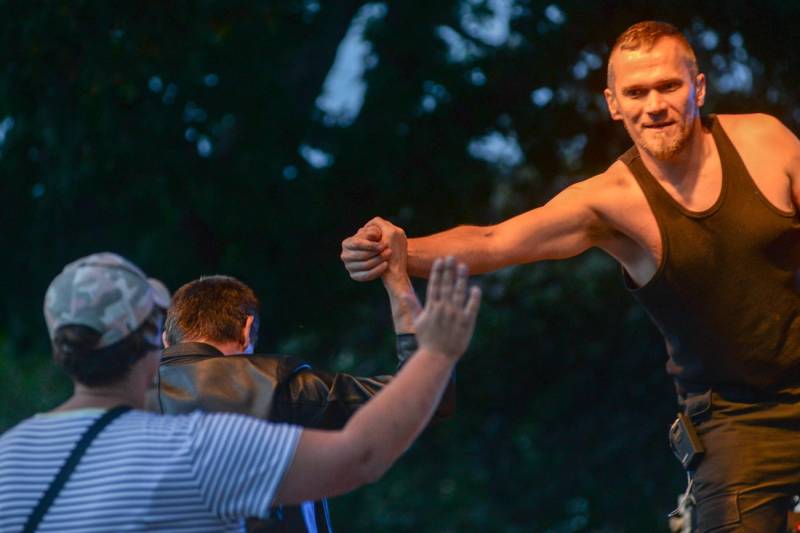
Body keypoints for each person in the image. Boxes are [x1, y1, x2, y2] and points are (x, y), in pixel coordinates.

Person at [341, 20, 800, 532]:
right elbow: (494, 241)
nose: (654, 105)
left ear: (698, 87)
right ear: (614, 103)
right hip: (736, 422)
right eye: (636, 92)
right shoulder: (609, 201)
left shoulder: (765, 142)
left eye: (668, 86)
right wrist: (397, 251)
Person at [0, 251, 480, 532]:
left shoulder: (10, 456)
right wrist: (436, 352)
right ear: (151, 339)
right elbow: (363, 454)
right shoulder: (196, 447)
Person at [146, 225, 453, 533]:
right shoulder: (277, 385)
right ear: (246, 330)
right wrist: (397, 276)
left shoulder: (127, 400)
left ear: (166, 340)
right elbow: (424, 397)